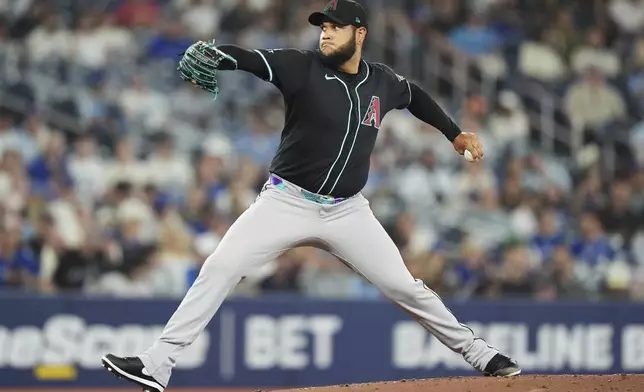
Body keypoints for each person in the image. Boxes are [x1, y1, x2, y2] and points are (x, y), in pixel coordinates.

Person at [101, 1, 520, 391]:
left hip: (348, 212)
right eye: (323, 26)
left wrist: (453, 133)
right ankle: (158, 364)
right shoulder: (300, 66)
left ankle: (482, 355)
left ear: (360, 34)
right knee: (221, 266)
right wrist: (217, 54)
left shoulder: (383, 82)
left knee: (405, 288)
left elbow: (415, 97)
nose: (325, 32)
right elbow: (250, 59)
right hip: (287, 202)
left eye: (336, 27)